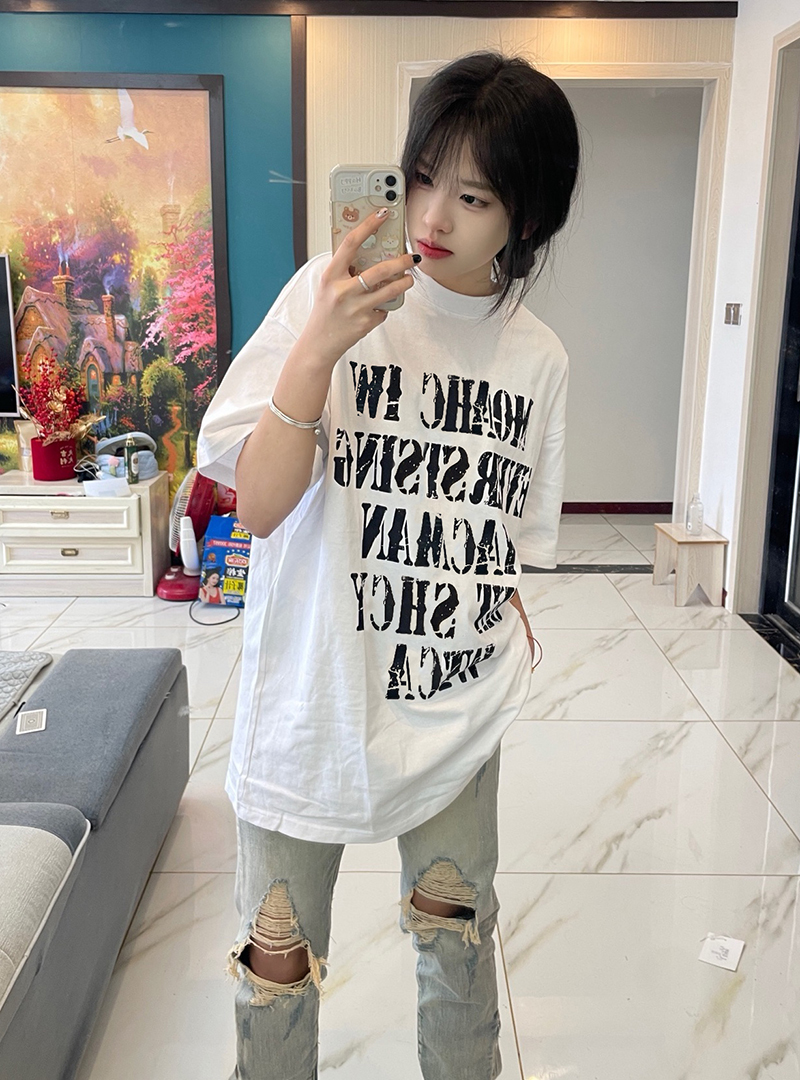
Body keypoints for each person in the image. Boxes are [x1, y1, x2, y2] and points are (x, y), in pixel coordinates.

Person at [197, 49, 580, 1080]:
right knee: (276, 969)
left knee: (456, 948)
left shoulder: (537, 358)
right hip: (308, 702)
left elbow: (508, 536)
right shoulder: (321, 300)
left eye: (473, 197)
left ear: (526, 216)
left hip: (450, 709)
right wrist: (318, 349)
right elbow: (260, 508)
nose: (432, 216)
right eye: (420, 179)